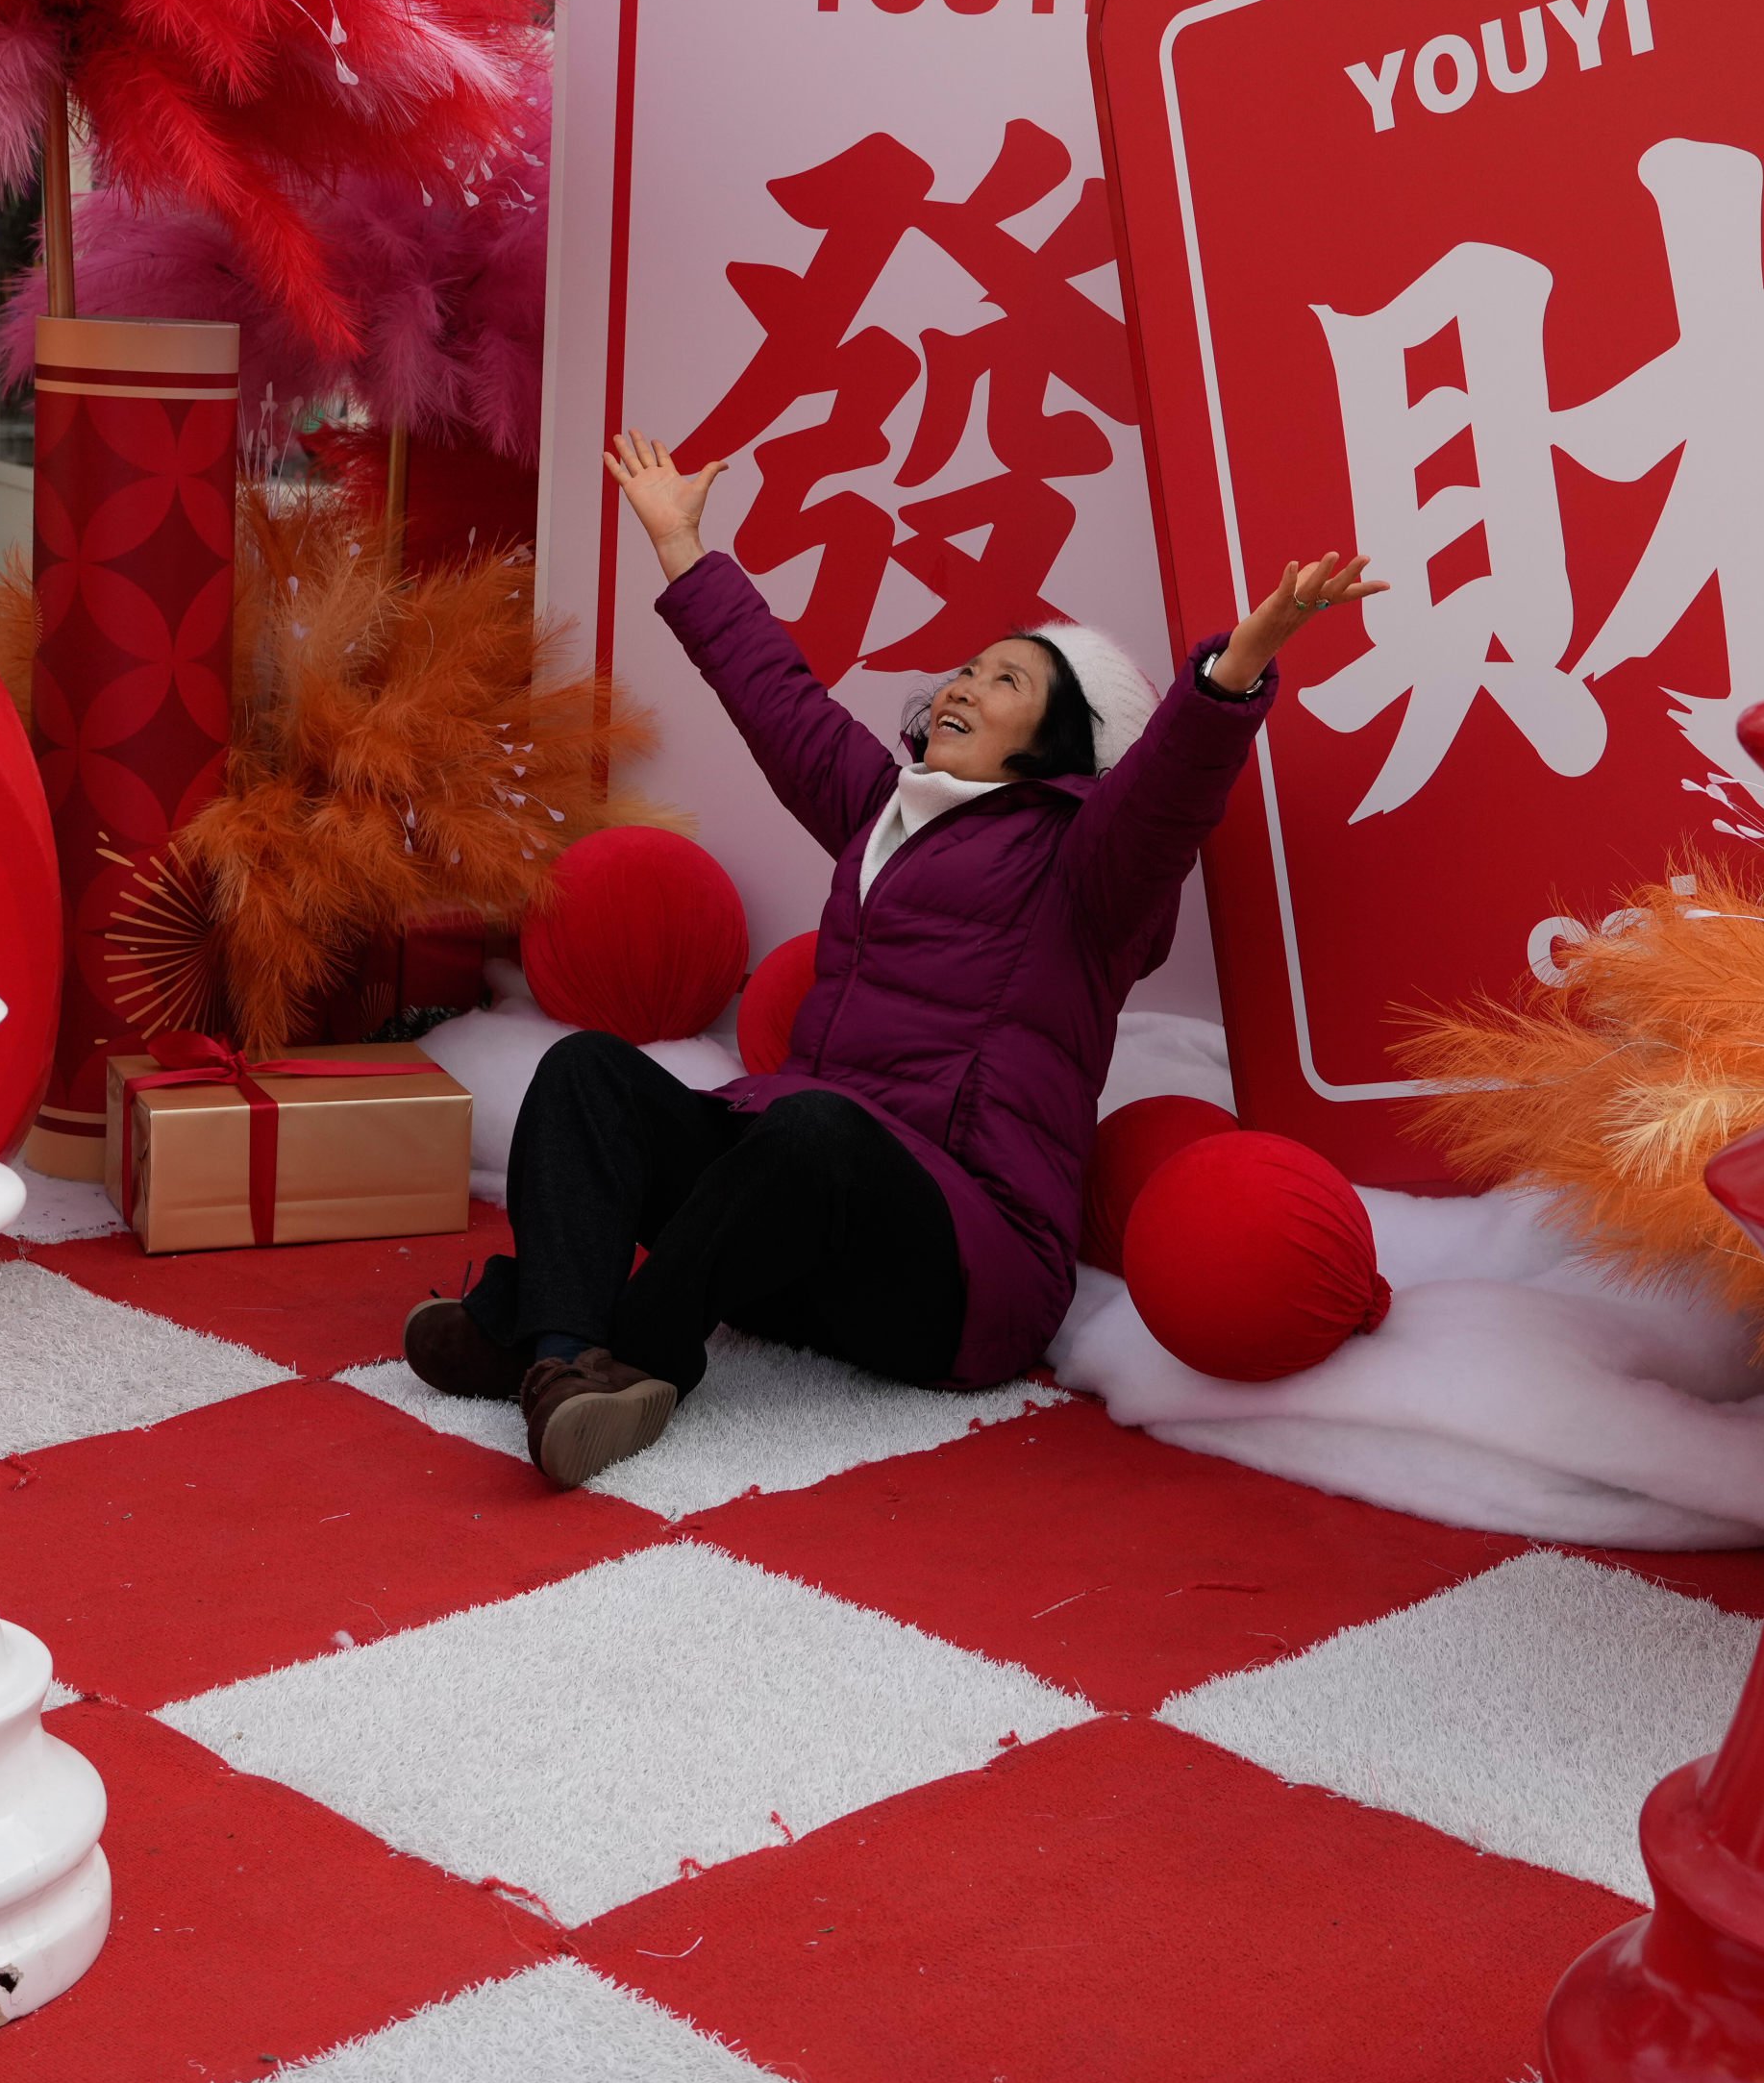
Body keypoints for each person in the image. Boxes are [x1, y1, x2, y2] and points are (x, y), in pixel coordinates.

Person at [402, 431, 1383, 1489]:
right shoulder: (883, 812)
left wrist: (1237, 669)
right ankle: (557, 1356)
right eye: (968, 668)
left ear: (1063, 741)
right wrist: (685, 547)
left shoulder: (1090, 865)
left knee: (809, 1125)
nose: (962, 685)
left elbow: (1169, 794)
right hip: (800, 1224)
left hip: (964, 1274)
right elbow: (777, 702)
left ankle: (625, 1346)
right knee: (588, 1072)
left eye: (1006, 679)